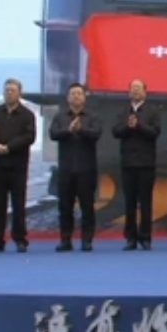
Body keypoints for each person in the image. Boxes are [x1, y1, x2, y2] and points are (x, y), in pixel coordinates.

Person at [0, 78, 37, 253]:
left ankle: (20, 239)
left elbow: (29, 137)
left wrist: (9, 147)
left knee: (18, 205)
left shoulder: (27, 115)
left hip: (18, 166)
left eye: (13, 90)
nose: (9, 93)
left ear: (19, 93)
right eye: (7, 90)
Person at [48, 83, 103, 252]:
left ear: (84, 97)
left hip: (87, 169)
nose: (76, 97)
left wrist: (81, 130)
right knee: (65, 207)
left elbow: (96, 134)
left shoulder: (92, 116)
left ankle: (87, 240)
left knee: (87, 207)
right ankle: (66, 240)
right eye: (73, 94)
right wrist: (69, 130)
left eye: (79, 94)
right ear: (68, 97)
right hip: (66, 169)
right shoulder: (60, 116)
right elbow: (53, 134)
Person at [112, 79, 162, 250]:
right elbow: (116, 131)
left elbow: (155, 132)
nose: (135, 91)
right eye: (133, 88)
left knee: (146, 202)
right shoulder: (123, 111)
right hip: (128, 163)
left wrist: (139, 125)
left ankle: (145, 237)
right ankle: (130, 238)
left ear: (145, 92)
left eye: (138, 88)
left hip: (146, 163)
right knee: (129, 202)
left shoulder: (152, 111)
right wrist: (128, 126)